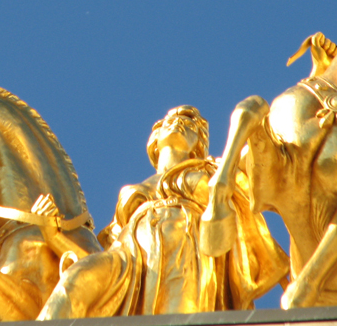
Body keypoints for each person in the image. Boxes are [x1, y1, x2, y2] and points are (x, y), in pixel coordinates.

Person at [35, 106, 289, 319]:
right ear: (154, 138)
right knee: (74, 282)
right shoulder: (131, 194)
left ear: (198, 145)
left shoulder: (213, 170)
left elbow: (263, 132)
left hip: (184, 250)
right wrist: (53, 236)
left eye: (189, 126)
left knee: (176, 318)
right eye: (170, 121)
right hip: (127, 255)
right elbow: (97, 255)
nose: (178, 124)